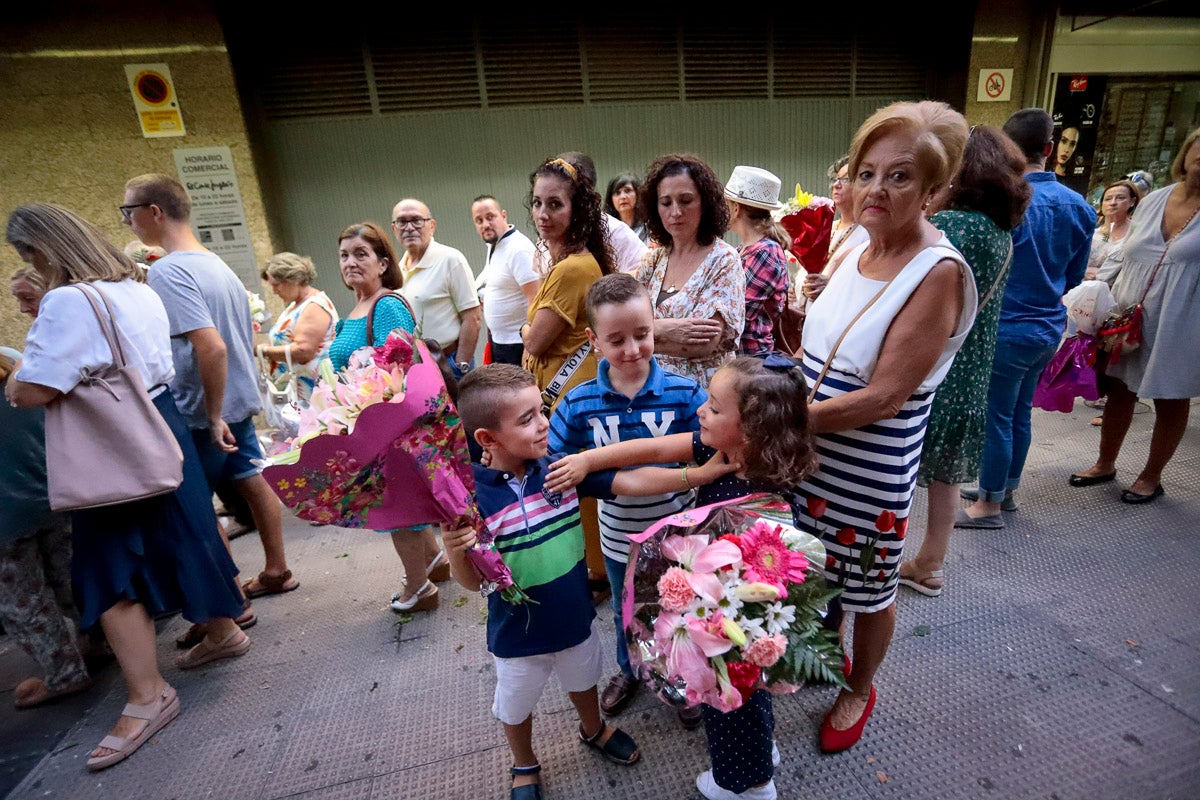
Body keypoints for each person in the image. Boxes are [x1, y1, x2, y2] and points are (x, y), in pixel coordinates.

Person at [6, 203, 248, 770]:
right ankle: (223, 629)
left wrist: (17, 367)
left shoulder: (67, 302)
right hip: (157, 424)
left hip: (110, 443)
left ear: (44, 250)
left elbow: (33, 391)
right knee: (185, 534)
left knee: (107, 567)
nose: (29, 269)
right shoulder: (137, 287)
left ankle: (147, 695)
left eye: (28, 256)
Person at [441, 364, 736, 800]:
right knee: (516, 705)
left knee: (584, 681)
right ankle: (524, 763)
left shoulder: (558, 470)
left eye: (540, 410)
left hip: (576, 619)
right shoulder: (471, 498)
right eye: (526, 419)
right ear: (487, 439)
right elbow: (469, 583)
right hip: (516, 636)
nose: (544, 423)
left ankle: (592, 728)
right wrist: (454, 546)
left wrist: (698, 475)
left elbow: (629, 481)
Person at [546, 356, 822, 800]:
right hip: (731, 624)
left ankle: (746, 786)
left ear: (748, 429)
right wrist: (586, 460)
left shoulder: (761, 505)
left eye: (713, 407)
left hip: (731, 629)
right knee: (750, 696)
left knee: (729, 702)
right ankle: (760, 753)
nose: (700, 411)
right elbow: (651, 450)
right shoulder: (722, 452)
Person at [796, 101, 974, 752]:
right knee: (811, 566)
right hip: (808, 451)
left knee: (868, 585)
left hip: (867, 466)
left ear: (934, 191)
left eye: (898, 177)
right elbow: (817, 350)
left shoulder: (939, 272)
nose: (875, 189)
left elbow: (885, 397)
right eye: (866, 172)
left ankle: (858, 687)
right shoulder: (854, 243)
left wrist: (781, 420)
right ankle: (820, 653)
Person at [121, 173, 296, 606]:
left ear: (154, 212)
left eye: (129, 212)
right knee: (250, 479)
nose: (127, 221)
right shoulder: (216, 264)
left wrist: (213, 416)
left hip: (203, 411)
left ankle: (229, 603)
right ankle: (276, 570)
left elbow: (211, 347)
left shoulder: (167, 270)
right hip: (235, 400)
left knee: (198, 506)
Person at [547, 274, 706, 729]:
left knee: (680, 607)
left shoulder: (684, 392)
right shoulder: (578, 403)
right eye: (616, 340)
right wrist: (604, 481)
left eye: (643, 334)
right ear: (593, 340)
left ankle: (679, 675)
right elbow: (556, 461)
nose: (633, 349)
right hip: (618, 539)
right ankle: (631, 668)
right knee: (625, 607)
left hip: (679, 536)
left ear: (655, 326)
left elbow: (709, 442)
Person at [896, 125, 1032, 597]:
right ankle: (931, 561)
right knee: (945, 472)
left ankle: (892, 560)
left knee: (903, 467)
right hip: (971, 367)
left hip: (935, 367)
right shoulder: (999, 231)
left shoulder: (954, 227)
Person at [959, 110, 1095, 527]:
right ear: (1049, 150)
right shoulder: (1079, 206)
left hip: (1006, 327)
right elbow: (1074, 276)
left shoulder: (1007, 202)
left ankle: (988, 505)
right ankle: (1004, 488)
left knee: (997, 415)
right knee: (1019, 413)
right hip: (1048, 326)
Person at [1069, 127, 1200, 503]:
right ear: (1186, 152)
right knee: (1119, 390)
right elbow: (1122, 254)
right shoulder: (1154, 199)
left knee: (1170, 397)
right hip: (1128, 314)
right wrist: (1094, 300)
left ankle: (1150, 476)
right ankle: (1105, 463)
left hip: (1182, 318)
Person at [328, 222, 448, 611]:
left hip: (389, 425)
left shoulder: (386, 305)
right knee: (401, 502)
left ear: (383, 263)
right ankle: (434, 561)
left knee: (395, 507)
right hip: (371, 424)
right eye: (345, 255)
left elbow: (395, 369)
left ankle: (419, 589)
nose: (350, 262)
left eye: (361, 254)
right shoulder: (359, 307)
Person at [635, 154, 745, 387]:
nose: (675, 212)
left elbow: (706, 342)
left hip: (703, 396)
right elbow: (621, 327)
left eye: (686, 201)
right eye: (665, 203)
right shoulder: (652, 260)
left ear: (705, 203)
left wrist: (640, 334)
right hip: (651, 393)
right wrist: (665, 330)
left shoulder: (724, 260)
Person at [392, 198, 482, 378]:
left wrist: (460, 365)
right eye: (402, 222)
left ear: (432, 225)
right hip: (414, 370)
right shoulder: (396, 270)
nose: (409, 227)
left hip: (447, 363)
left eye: (417, 220)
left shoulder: (450, 259)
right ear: (394, 229)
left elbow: (473, 317)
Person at [724, 165, 789, 356]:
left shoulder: (765, 252)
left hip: (750, 361)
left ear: (736, 209)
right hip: (739, 357)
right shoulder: (742, 250)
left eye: (725, 205)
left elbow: (738, 312)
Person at [257, 252, 338, 404]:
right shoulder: (296, 305)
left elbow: (303, 351)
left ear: (292, 279)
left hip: (313, 394)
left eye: (276, 285)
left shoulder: (314, 306)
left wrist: (263, 351)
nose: (274, 291)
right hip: (299, 392)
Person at [471, 195, 540, 366]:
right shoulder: (495, 245)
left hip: (518, 346)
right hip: (499, 343)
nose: (485, 224)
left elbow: (537, 300)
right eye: (479, 220)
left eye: (490, 217)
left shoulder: (518, 249)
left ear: (503, 215)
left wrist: (530, 348)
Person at [800, 156, 870, 303]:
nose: (836, 185)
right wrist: (801, 288)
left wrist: (831, 287)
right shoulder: (828, 227)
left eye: (845, 179)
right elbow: (805, 272)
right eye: (836, 180)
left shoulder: (869, 233)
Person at [1089, 180, 1142, 281]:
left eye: (1120, 198)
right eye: (1108, 199)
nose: (1113, 203)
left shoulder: (1137, 233)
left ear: (1132, 202)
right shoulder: (1094, 233)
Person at [605, 172, 649, 243]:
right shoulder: (607, 229)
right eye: (617, 193)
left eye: (627, 191)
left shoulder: (649, 226)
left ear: (638, 194)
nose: (622, 197)